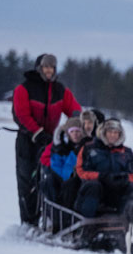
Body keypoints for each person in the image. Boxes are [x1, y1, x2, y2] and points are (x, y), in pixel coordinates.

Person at [11, 53, 81, 226]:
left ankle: (52, 220)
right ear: (39, 68)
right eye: (45, 66)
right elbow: (21, 115)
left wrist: (77, 124)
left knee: (53, 180)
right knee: (28, 181)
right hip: (28, 141)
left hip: (50, 143)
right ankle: (28, 223)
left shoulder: (60, 90)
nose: (49, 70)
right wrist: (37, 132)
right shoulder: (24, 89)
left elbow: (74, 109)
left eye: (52, 67)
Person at [75, 118, 133, 219]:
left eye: (116, 132)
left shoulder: (127, 153)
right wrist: (100, 176)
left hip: (117, 190)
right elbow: (81, 171)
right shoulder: (89, 149)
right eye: (110, 132)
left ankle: (129, 221)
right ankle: (86, 223)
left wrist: (123, 178)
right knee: (93, 187)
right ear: (104, 133)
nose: (113, 135)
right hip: (95, 189)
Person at [40, 116, 89, 210]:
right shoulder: (59, 148)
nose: (75, 134)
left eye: (78, 131)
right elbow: (62, 172)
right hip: (63, 182)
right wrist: (75, 155)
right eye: (72, 131)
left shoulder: (87, 147)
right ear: (68, 133)